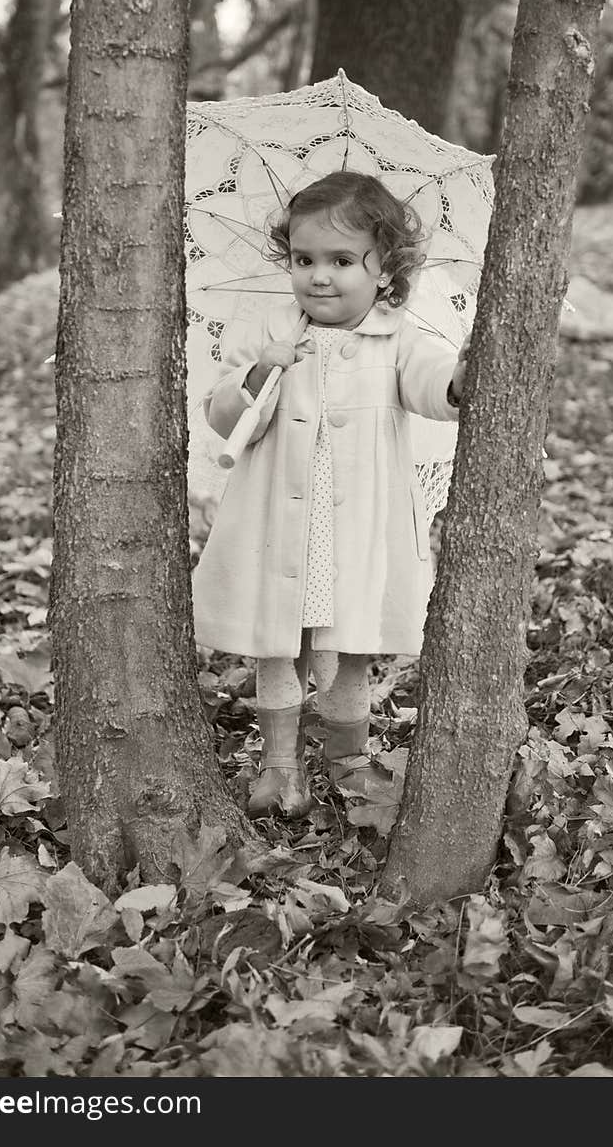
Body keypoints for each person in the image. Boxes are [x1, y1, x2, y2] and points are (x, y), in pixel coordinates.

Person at [192, 170, 470, 818]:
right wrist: (263, 370)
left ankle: (348, 762)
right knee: (278, 643)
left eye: (342, 261)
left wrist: (456, 383)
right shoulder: (270, 331)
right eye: (304, 259)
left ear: (385, 270)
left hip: (355, 530)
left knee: (349, 650)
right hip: (279, 525)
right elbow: (226, 415)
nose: (319, 276)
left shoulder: (398, 335)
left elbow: (428, 383)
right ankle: (279, 765)